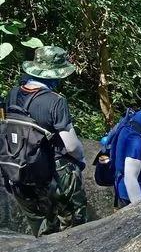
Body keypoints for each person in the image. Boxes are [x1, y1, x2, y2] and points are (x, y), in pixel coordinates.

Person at [0, 45, 87, 236]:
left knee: (41, 228)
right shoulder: (55, 101)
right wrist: (82, 161)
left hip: (18, 171)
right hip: (51, 173)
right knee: (75, 226)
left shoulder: (13, 94)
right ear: (55, 75)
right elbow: (72, 146)